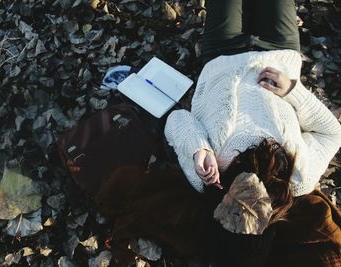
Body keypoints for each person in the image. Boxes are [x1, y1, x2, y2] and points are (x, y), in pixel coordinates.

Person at [93, 0, 341, 266]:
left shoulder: (207, 178)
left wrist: (198, 149)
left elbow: (177, 119)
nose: (245, 201)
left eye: (231, 211)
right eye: (253, 213)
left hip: (222, 54)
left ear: (219, 209)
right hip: (279, 53)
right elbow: (331, 133)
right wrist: (293, 90)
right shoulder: (297, 178)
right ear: (269, 220)